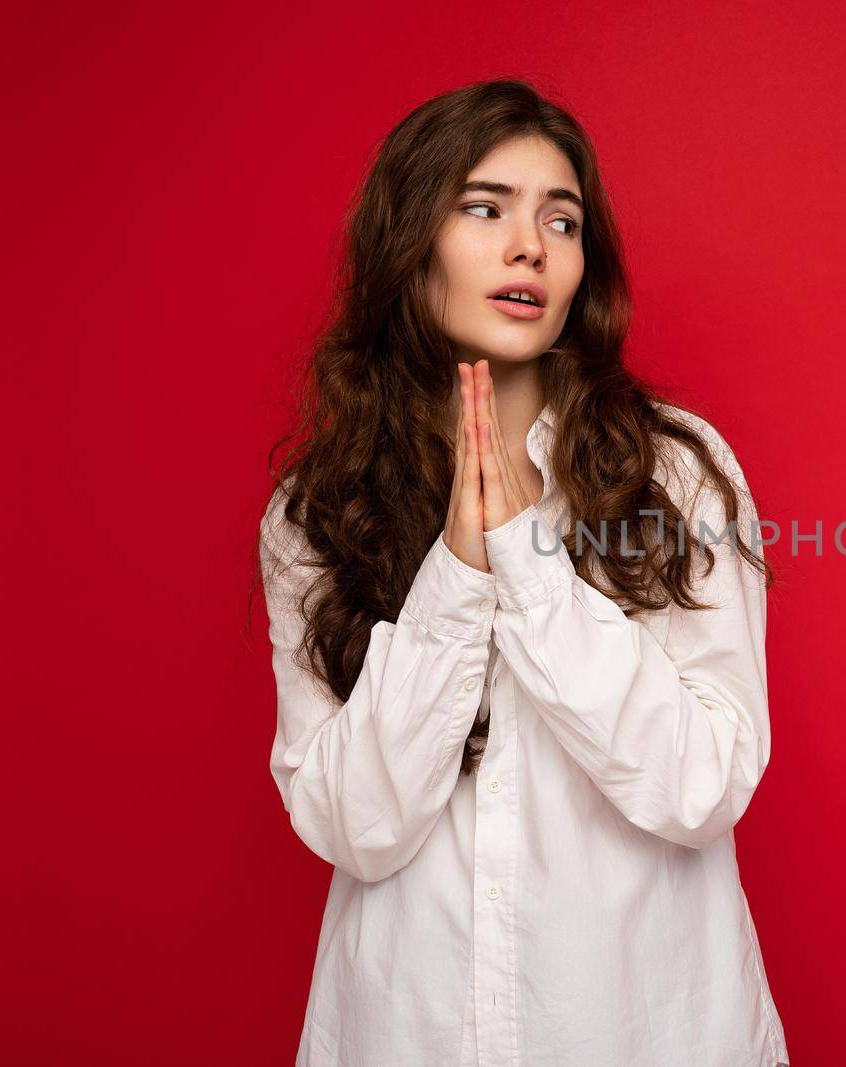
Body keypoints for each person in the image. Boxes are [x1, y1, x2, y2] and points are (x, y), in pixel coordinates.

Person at [255, 78, 790, 1067]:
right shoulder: (316, 509)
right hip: (407, 1030)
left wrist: (532, 574)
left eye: (562, 219)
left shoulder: (674, 472)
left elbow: (703, 784)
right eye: (484, 207)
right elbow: (351, 824)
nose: (529, 247)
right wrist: (457, 572)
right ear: (408, 243)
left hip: (647, 1028)